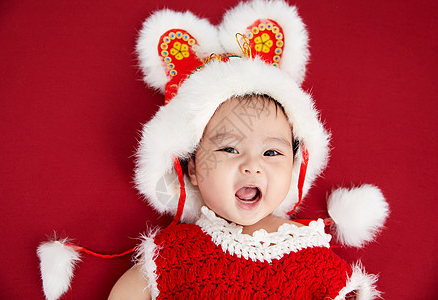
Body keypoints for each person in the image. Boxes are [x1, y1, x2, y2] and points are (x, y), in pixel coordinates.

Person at [107, 1, 388, 299]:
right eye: (229, 149)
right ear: (193, 170)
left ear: (294, 166)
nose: (252, 165)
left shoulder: (313, 259)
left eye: (271, 153)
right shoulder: (179, 253)